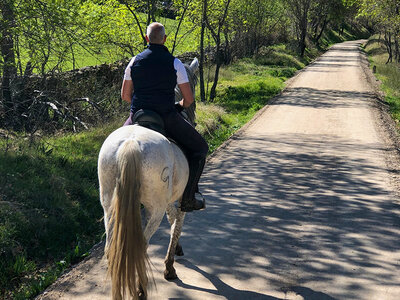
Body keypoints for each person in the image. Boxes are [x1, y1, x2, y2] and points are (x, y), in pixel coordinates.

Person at [121, 22, 208, 212]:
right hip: (166, 117)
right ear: (165, 39)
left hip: (138, 115)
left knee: (116, 146)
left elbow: (126, 96)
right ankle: (188, 198)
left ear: (146, 39)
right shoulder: (174, 63)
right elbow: (189, 99)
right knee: (201, 148)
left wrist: (142, 105)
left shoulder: (134, 61)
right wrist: (179, 106)